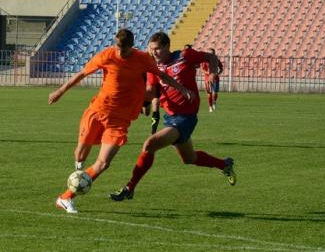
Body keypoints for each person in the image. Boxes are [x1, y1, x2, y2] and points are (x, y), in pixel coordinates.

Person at [48, 29, 194, 213]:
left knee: (103, 163)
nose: (120, 52)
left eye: (124, 49)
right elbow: (82, 74)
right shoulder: (106, 55)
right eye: (118, 47)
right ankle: (78, 172)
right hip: (97, 111)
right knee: (80, 154)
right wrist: (59, 91)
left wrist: (182, 89)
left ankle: (65, 197)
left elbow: (162, 76)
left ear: (131, 46)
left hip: (120, 121)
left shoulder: (142, 58)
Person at [110, 32, 236, 202]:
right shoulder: (153, 68)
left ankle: (130, 188)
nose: (153, 53)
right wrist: (135, 97)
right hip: (170, 118)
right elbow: (151, 92)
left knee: (149, 145)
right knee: (189, 158)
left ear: (167, 47)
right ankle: (225, 164)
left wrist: (213, 73)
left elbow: (210, 57)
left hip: (185, 118)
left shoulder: (185, 56)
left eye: (157, 49)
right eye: (151, 49)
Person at [201, 48, 223, 112]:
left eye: (212, 53)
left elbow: (221, 68)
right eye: (210, 53)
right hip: (208, 79)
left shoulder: (216, 60)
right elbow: (202, 69)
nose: (211, 54)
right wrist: (208, 73)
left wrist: (217, 74)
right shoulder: (205, 61)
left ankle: (214, 102)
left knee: (215, 93)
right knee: (209, 93)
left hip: (215, 78)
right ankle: (210, 107)